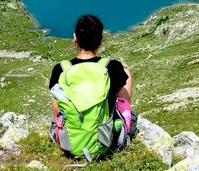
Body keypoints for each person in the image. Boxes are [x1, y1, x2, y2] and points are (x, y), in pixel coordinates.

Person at [48, 14, 135, 160]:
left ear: (75, 38)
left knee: (58, 95)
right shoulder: (111, 67)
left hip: (68, 143)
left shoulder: (60, 69)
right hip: (106, 142)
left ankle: (67, 132)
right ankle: (124, 118)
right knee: (126, 74)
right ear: (100, 40)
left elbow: (57, 109)